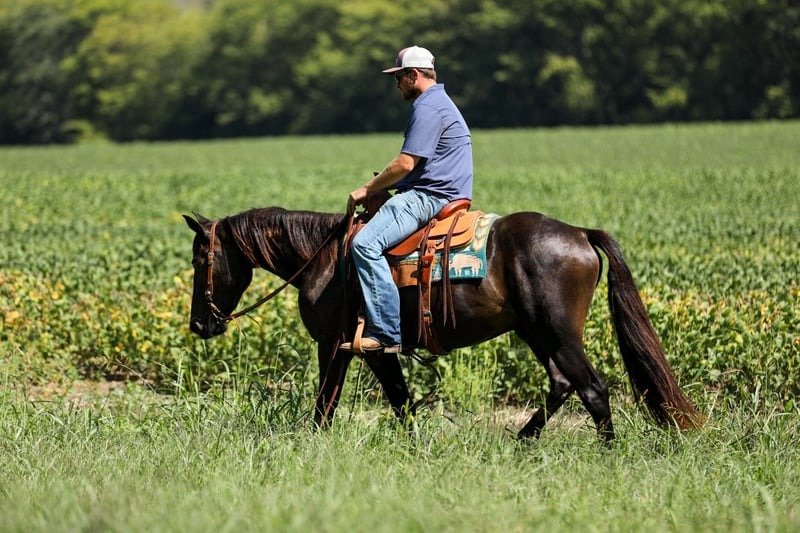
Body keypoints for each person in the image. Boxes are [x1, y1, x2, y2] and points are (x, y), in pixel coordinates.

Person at [340, 45, 474, 354]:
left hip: (429, 196)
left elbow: (405, 164)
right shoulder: (441, 102)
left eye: (398, 77)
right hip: (443, 192)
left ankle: (386, 332)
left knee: (364, 245)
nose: (396, 84)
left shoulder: (427, 106)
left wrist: (365, 189)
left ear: (414, 75)